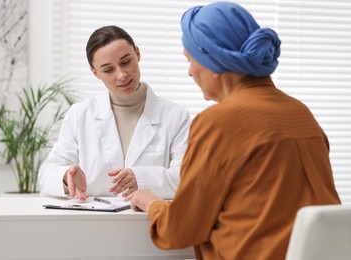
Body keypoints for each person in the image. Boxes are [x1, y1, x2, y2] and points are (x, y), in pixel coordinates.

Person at [129, 2, 341, 260]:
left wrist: (151, 203)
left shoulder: (217, 122)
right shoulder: (301, 113)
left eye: (190, 59)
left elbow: (179, 231)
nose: (189, 72)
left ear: (213, 61)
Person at [38, 25, 191, 201]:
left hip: (149, 222)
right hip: (92, 224)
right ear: (95, 72)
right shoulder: (80, 115)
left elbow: (186, 178)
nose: (121, 75)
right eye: (108, 70)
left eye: (126, 62)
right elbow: (47, 172)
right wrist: (66, 176)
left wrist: (140, 177)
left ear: (138, 54)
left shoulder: (175, 116)